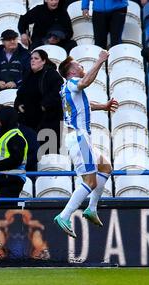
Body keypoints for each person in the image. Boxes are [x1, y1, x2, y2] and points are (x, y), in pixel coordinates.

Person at [53, 51, 118, 238]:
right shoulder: (74, 83)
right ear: (71, 72)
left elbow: (85, 104)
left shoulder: (67, 88)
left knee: (105, 166)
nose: (82, 67)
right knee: (90, 181)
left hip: (81, 138)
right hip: (79, 138)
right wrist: (100, 60)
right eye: (79, 65)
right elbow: (84, 82)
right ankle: (64, 216)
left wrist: (103, 106)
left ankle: (91, 208)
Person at [15, 49, 64, 153]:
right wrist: (18, 104)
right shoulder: (28, 74)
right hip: (29, 119)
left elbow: (58, 92)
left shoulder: (51, 74)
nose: (33, 60)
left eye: (36, 58)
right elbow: (20, 93)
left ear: (44, 61)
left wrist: (44, 105)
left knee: (47, 152)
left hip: (48, 120)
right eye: (31, 58)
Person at [0, 29, 30, 123]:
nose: (12, 41)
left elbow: (29, 73)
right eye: (9, 39)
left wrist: (16, 83)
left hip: (19, 85)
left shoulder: (25, 54)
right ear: (3, 41)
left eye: (14, 39)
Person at [0, 106, 28, 199]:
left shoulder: (15, 137)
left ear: (6, 119)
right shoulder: (3, 135)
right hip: (3, 181)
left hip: (11, 181)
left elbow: (16, 159)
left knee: (5, 210)